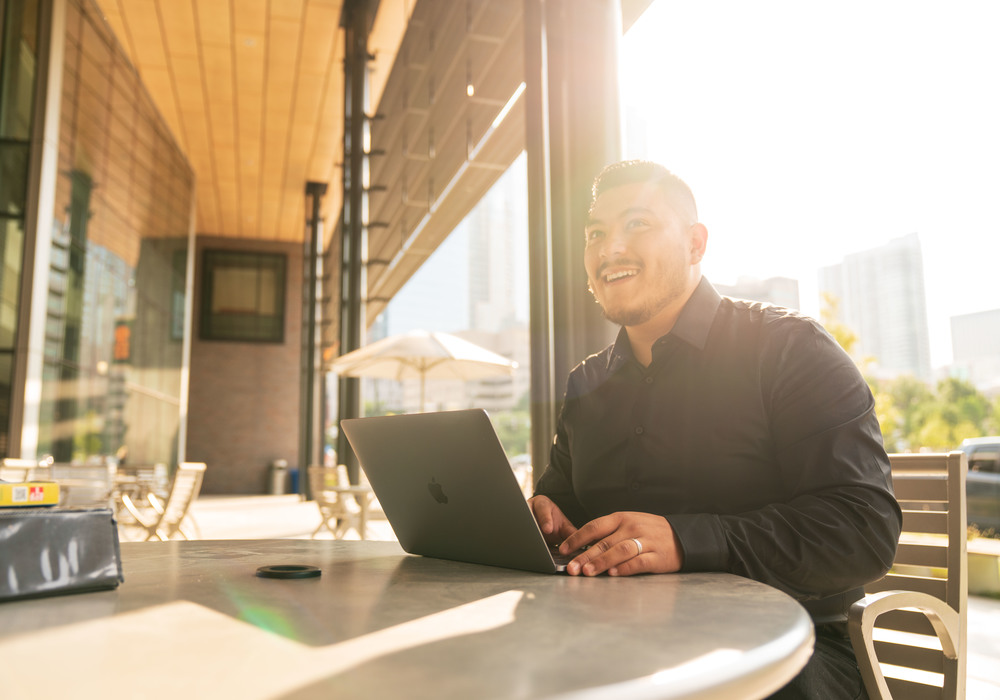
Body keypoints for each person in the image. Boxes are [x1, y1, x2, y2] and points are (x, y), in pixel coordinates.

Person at [529, 160, 902, 699]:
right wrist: (547, 517)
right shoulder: (585, 383)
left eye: (637, 224)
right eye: (595, 233)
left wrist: (687, 539)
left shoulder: (790, 349)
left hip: (792, 650)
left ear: (695, 244)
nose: (610, 248)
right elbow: (562, 508)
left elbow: (864, 529)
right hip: (613, 641)